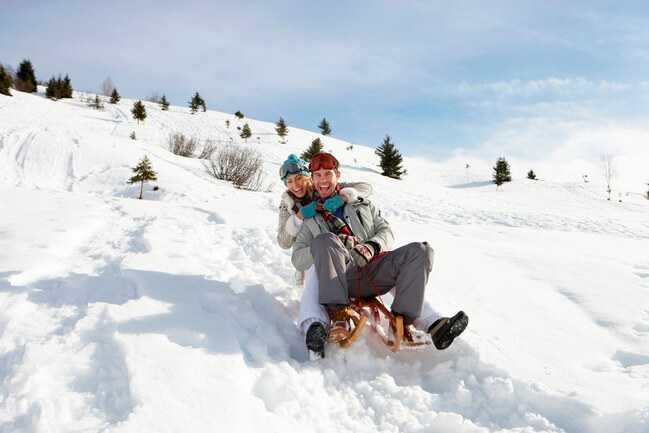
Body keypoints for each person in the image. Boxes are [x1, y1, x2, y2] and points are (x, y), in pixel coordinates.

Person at [291, 152, 468, 358]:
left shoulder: (361, 204)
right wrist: (331, 248)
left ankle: (404, 322)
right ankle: (337, 315)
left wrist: (370, 247)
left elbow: (386, 232)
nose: (323, 180)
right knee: (324, 240)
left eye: (328, 174)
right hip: (338, 278)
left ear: (337, 175)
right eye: (318, 175)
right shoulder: (310, 219)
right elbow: (297, 258)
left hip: (373, 268)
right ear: (312, 180)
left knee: (421, 250)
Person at [277, 154, 373, 359]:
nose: (295, 185)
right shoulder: (288, 204)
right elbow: (284, 242)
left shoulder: (323, 185)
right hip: (309, 251)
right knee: (314, 271)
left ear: (308, 177)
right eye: (289, 181)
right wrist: (299, 217)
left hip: (340, 247)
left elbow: (365, 188)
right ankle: (313, 325)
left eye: (299, 178)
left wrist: (344, 196)